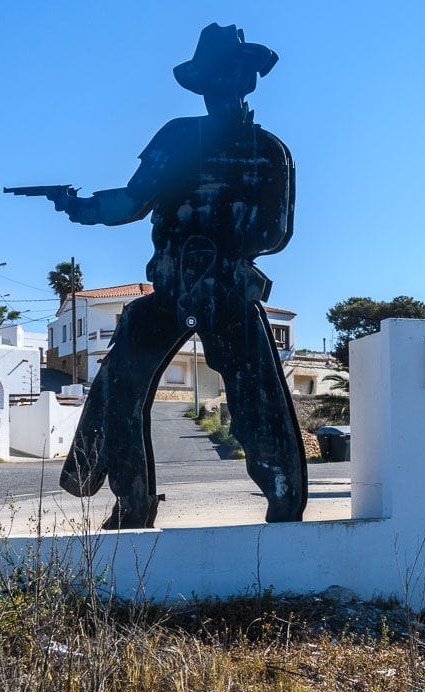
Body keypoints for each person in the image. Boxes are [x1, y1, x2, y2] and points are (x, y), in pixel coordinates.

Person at [45, 23, 306, 529]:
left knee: (255, 395)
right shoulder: (263, 148)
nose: (223, 88)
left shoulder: (212, 143)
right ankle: (136, 502)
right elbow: (273, 233)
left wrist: (80, 208)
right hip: (188, 287)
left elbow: (128, 204)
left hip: (217, 287)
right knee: (125, 385)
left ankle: (281, 498)